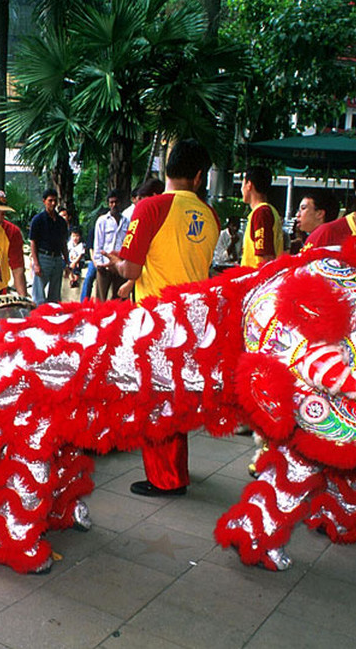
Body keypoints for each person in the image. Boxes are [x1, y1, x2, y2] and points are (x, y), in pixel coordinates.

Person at [108, 139, 219, 497]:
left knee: (158, 399)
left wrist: (117, 264)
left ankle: (167, 478)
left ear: (166, 169)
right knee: (176, 397)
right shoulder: (210, 215)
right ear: (199, 177)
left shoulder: (151, 208)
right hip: (194, 321)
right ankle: (176, 469)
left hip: (158, 321)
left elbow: (133, 266)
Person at [28, 188, 68, 304]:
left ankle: (53, 317)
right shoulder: (38, 220)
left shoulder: (61, 221)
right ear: (44, 201)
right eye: (50, 201)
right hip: (43, 258)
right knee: (39, 295)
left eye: (55, 201)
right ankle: (38, 317)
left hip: (57, 258)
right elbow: (33, 242)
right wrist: (36, 264)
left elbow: (63, 242)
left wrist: (67, 261)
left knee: (55, 295)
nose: (53, 203)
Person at [240, 166, 284, 268]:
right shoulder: (268, 211)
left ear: (249, 185)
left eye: (242, 184)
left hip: (257, 280)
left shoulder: (261, 213)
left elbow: (266, 257)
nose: (241, 189)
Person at [92, 190, 128, 300]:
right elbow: (98, 244)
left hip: (120, 265)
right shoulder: (102, 221)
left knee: (119, 299)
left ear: (121, 203)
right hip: (104, 265)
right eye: (111, 202)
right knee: (101, 298)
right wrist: (99, 263)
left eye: (116, 202)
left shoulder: (127, 221)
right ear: (108, 204)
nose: (114, 205)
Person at [64, 227, 85, 301]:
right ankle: (71, 279)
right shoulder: (70, 244)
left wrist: (75, 262)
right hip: (70, 260)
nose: (75, 238)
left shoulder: (81, 245)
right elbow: (66, 252)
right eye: (73, 236)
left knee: (76, 268)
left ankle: (75, 280)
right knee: (68, 268)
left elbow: (81, 255)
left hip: (78, 261)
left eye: (77, 236)